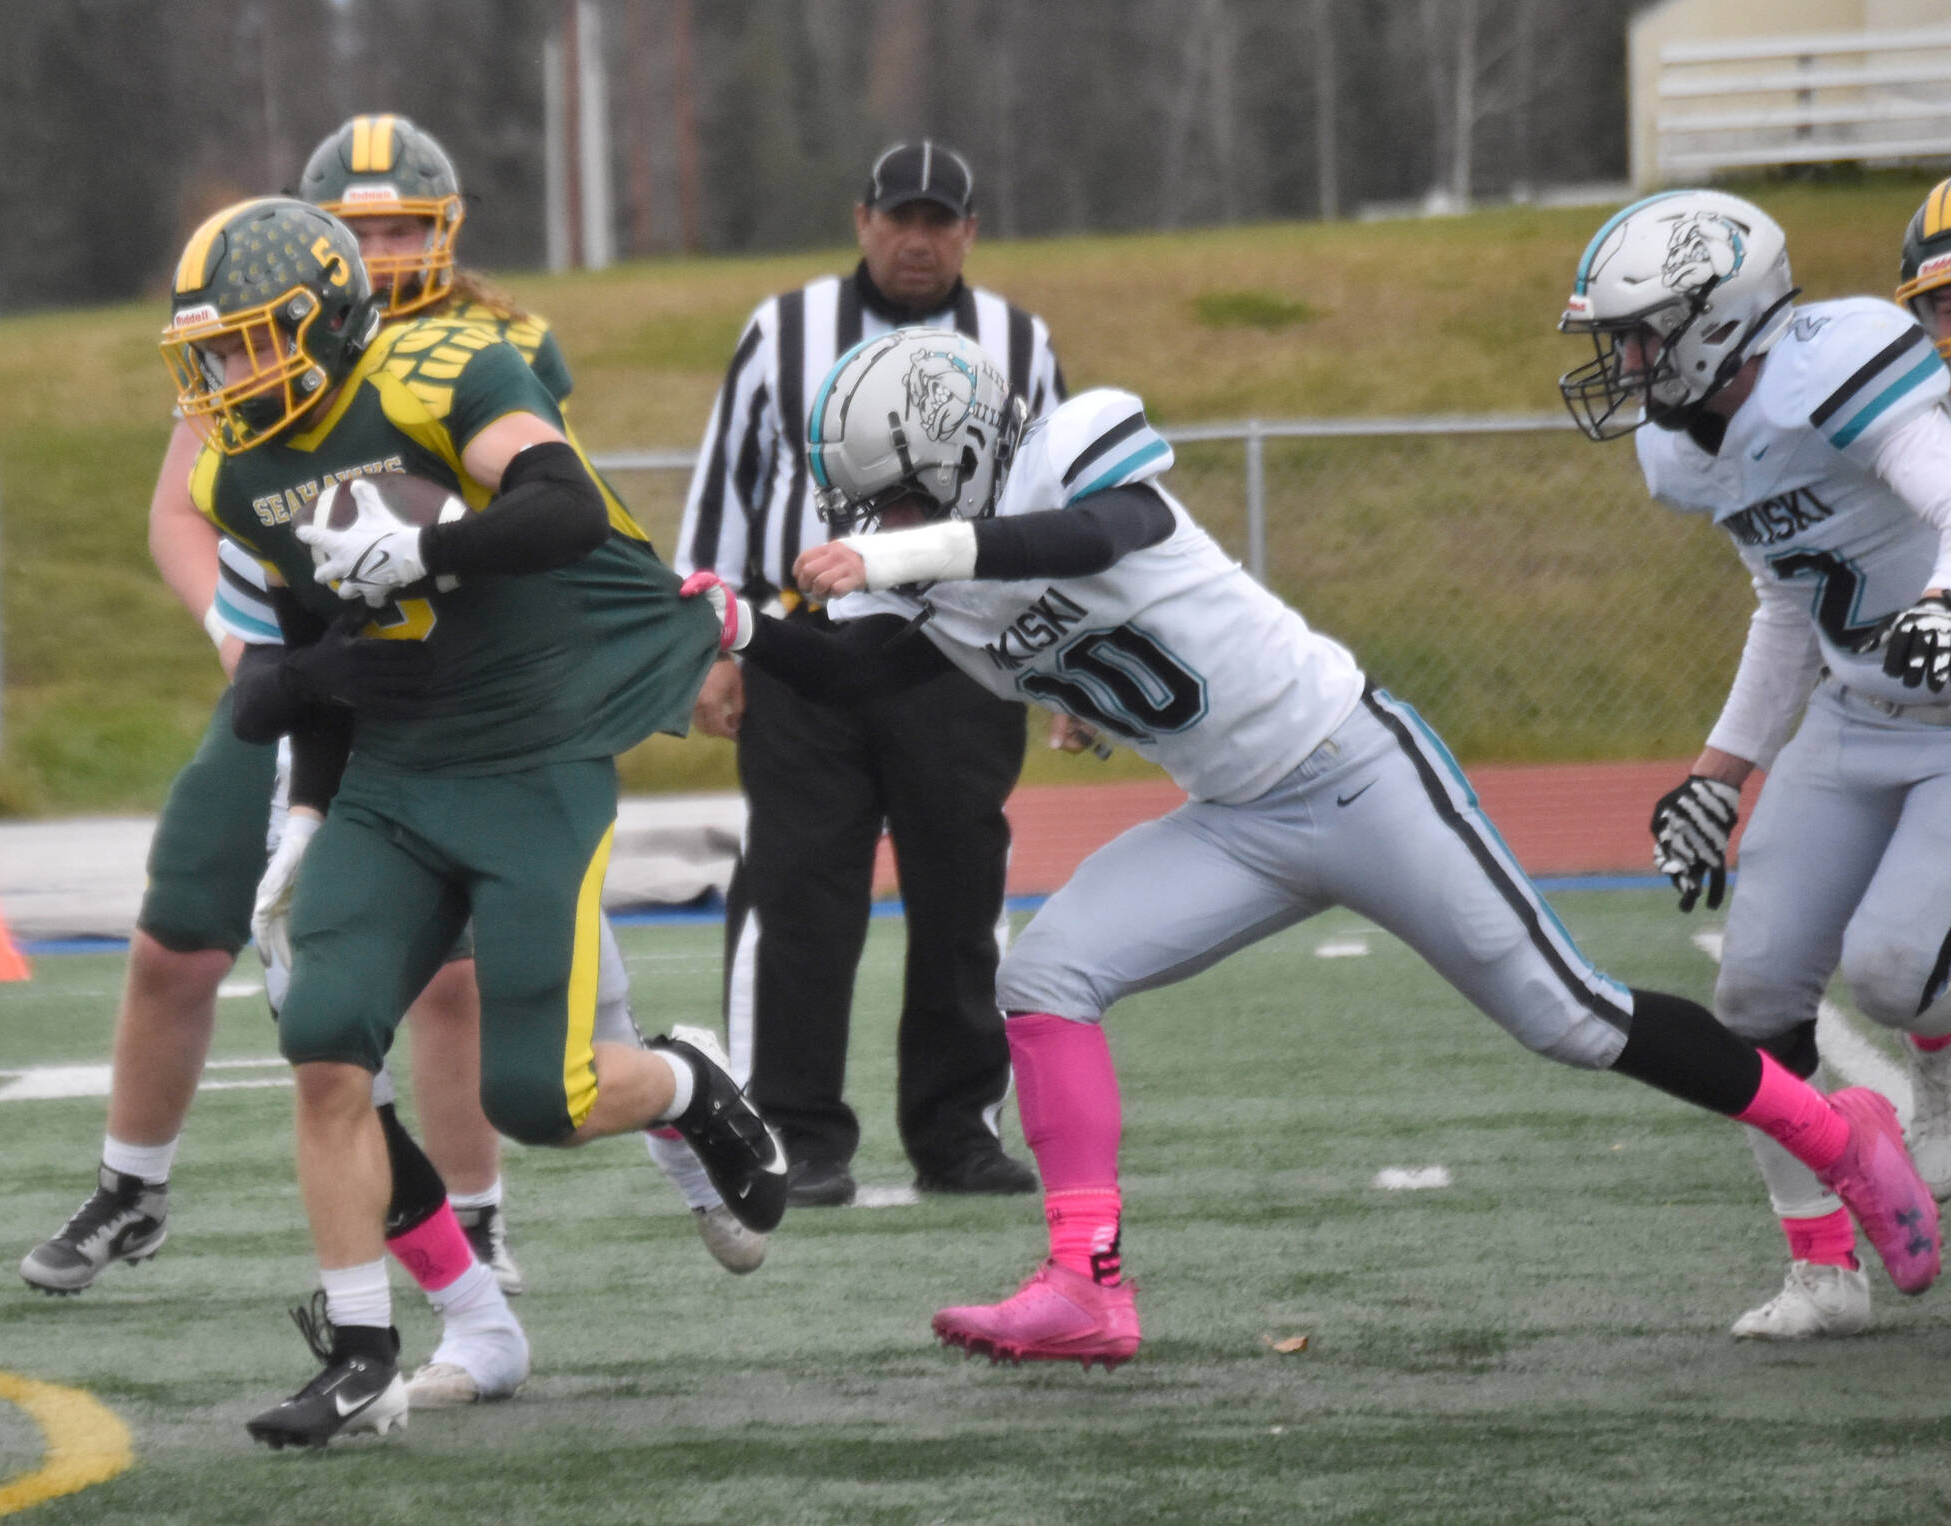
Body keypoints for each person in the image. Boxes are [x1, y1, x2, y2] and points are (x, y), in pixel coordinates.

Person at [678, 325, 1941, 1368]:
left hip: (1351, 766)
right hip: (1233, 816)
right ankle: (1085, 1283)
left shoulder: (1071, 446)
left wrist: (911, 541)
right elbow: (853, 670)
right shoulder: (923, 557)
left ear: (957, 454)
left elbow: (1097, 534)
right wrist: (742, 624)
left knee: (1569, 1016)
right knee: (1046, 972)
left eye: (898, 493)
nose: (881, 520)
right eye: (877, 507)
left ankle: (1838, 1136)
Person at [156, 196, 785, 1448]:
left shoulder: (446, 366)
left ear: (326, 323)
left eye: (251, 343)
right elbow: (299, 663)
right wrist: (307, 818)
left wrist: (428, 558)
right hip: (396, 775)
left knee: (537, 1097)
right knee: (324, 1036)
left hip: (533, 754)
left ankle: (684, 1084)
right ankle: (360, 1348)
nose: (230, 376)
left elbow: (562, 509)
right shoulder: (238, 468)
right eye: (213, 353)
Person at [1557, 187, 1951, 1340]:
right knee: (1752, 993)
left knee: (1888, 970)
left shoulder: (1830, 366)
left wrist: (1941, 601)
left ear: (1716, 317)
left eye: (1637, 333)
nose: (1623, 361)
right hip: (1861, 705)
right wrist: (1716, 774)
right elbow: (1786, 598)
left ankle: (1931, 1059)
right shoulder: (1688, 445)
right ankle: (1820, 1268)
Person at [675, 141, 1066, 1207]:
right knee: (799, 886)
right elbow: (725, 486)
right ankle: (791, 1130)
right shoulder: (781, 329)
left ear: (969, 233)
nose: (916, 238)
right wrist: (715, 647)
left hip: (960, 648)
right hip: (806, 645)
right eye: (900, 216)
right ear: (861, 220)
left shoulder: (1018, 343)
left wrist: (1057, 658)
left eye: (939, 221)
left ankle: (956, 1129)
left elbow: (1049, 508)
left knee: (959, 885)